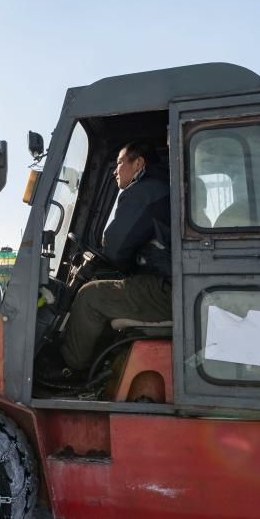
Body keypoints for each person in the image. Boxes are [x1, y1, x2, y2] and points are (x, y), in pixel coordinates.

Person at [57, 141, 173, 373]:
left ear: (138, 163)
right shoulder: (162, 188)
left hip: (166, 290)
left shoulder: (143, 192)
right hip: (172, 284)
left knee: (90, 296)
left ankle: (68, 370)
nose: (114, 170)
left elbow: (115, 248)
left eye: (119, 163)